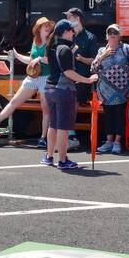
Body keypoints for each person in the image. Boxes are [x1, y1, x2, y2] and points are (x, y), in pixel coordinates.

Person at [0, 16, 53, 145]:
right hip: (33, 77)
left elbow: (51, 60)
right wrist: (16, 55)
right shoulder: (35, 42)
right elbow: (30, 61)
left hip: (46, 77)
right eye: (45, 25)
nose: (48, 27)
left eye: (49, 25)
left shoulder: (51, 41)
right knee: (14, 101)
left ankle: (43, 138)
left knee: (45, 109)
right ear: (39, 29)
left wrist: (39, 59)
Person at [44, 19, 97, 170]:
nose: (74, 32)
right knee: (63, 127)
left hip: (50, 88)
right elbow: (68, 72)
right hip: (63, 90)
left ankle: (49, 157)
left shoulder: (54, 47)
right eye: (71, 30)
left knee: (53, 125)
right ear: (67, 32)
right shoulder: (64, 49)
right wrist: (88, 80)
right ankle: (62, 160)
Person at [90, 25, 129, 154]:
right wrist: (103, 56)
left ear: (119, 35)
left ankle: (117, 142)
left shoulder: (126, 49)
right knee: (108, 116)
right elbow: (93, 68)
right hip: (105, 90)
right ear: (106, 35)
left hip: (121, 89)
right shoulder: (102, 50)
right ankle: (109, 142)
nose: (112, 35)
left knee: (119, 115)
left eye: (115, 32)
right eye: (110, 32)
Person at [65, 8, 97, 149]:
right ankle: (62, 133)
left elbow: (95, 61)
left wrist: (82, 59)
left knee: (72, 101)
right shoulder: (68, 36)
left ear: (77, 19)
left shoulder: (90, 38)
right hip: (67, 75)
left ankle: (70, 134)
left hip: (82, 78)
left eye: (69, 17)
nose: (68, 20)